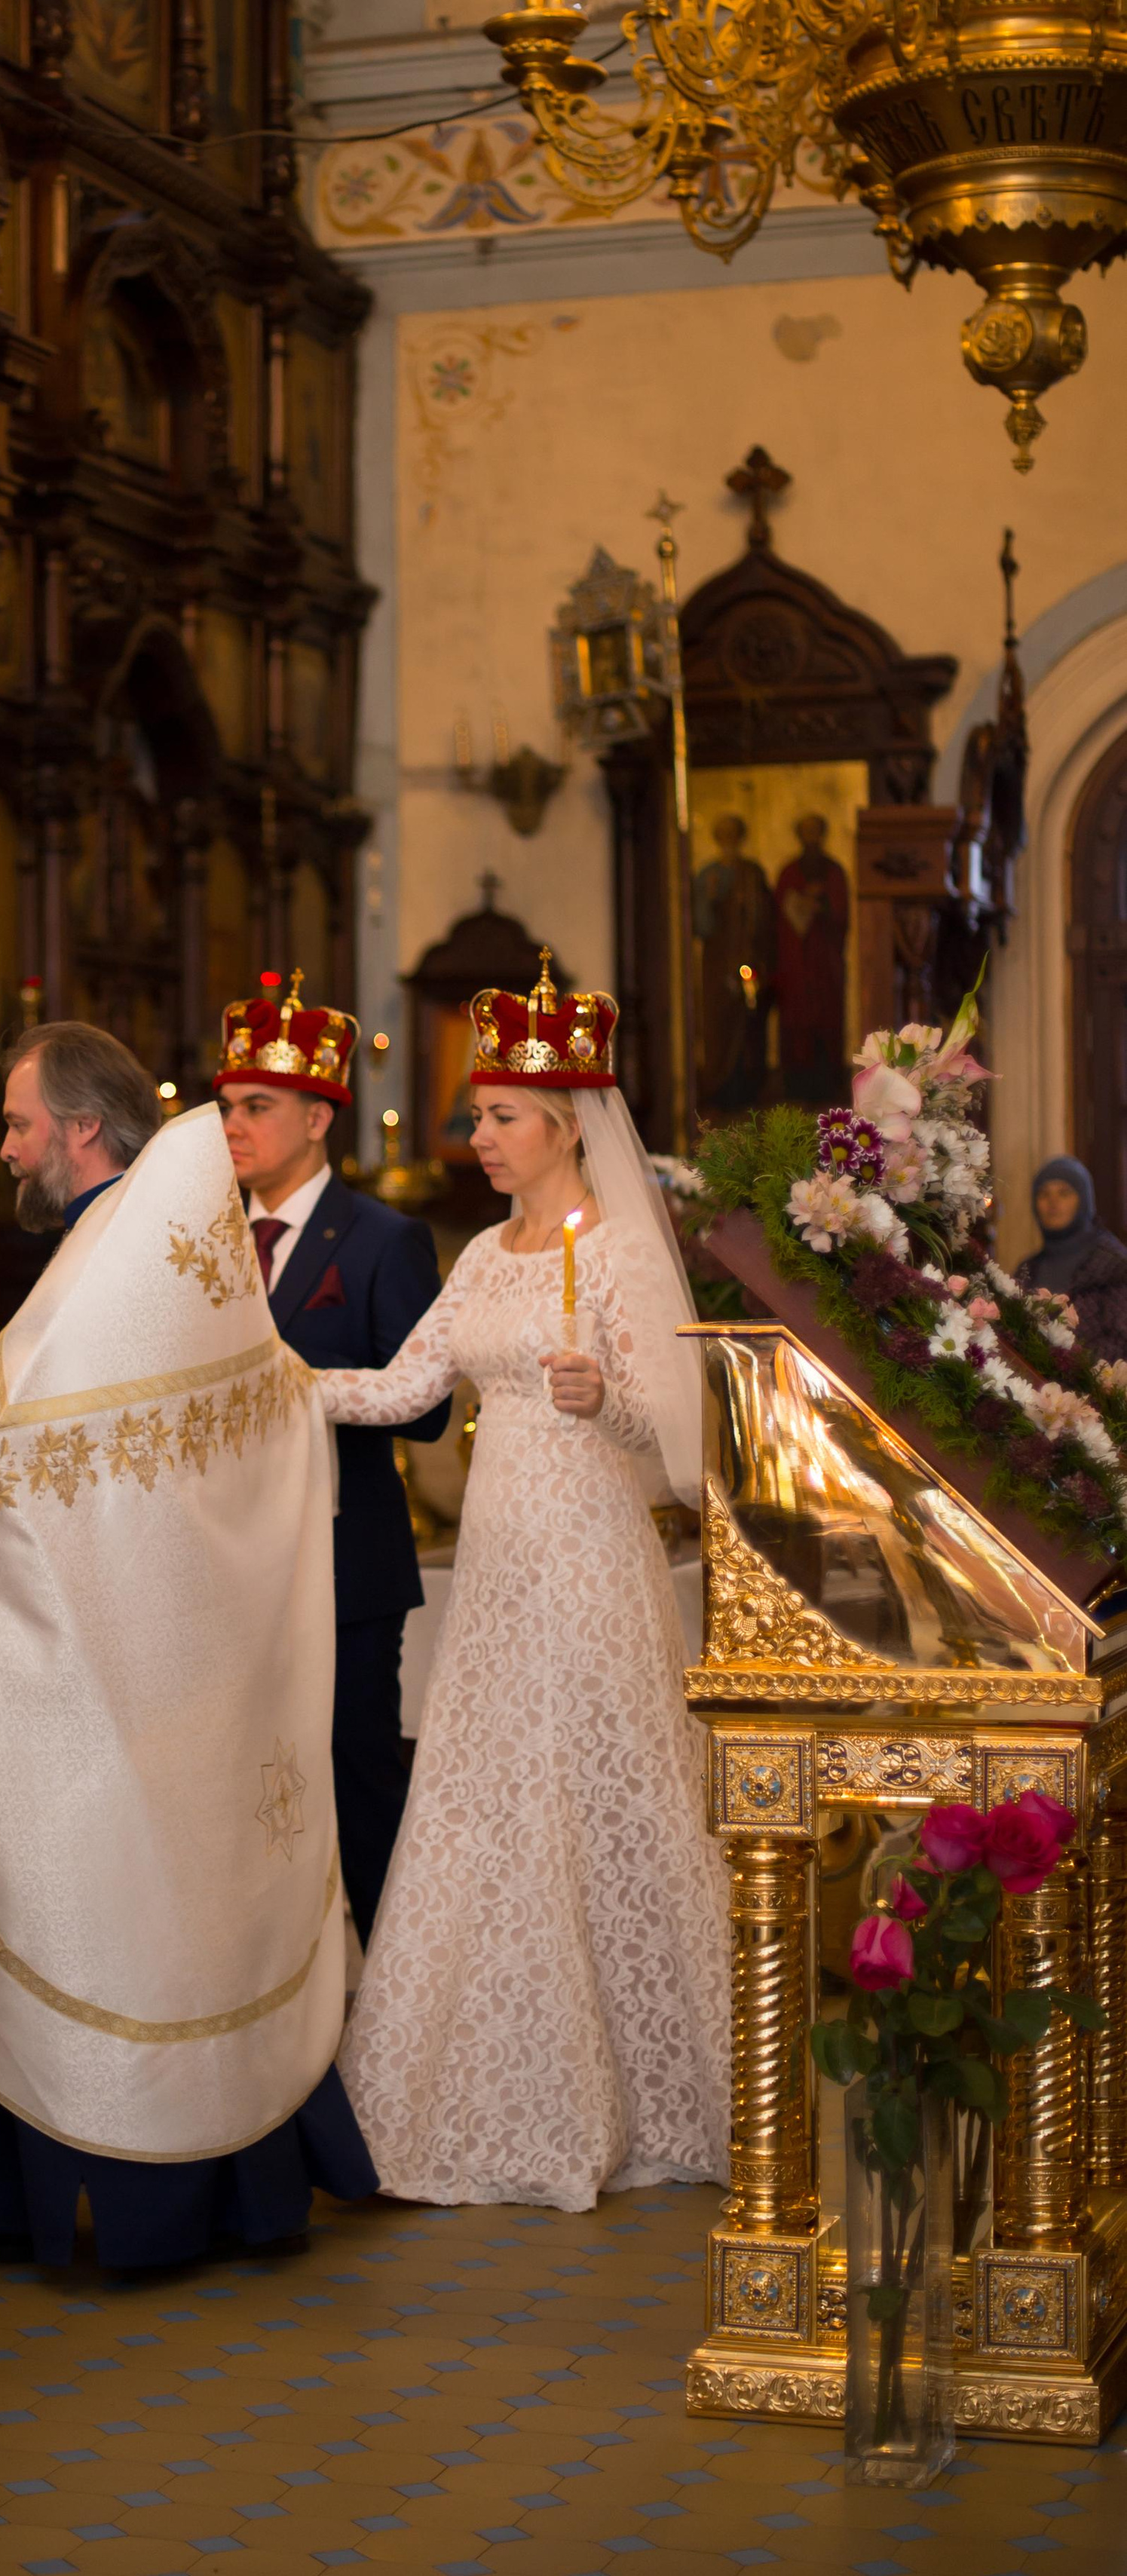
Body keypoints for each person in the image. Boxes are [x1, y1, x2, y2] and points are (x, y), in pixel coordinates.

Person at [0, 1019, 377, 2271]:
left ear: (80, 1127)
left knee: (49, 1882)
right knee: (43, 1886)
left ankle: (98, 2196)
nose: (7, 1147)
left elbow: (19, 1443)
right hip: (166, 1656)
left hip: (122, 1679)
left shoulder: (125, 1253)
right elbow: (76, 1407)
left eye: (21, 1122)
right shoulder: (152, 1244)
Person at [311, 952, 730, 2210]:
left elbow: (690, 1445)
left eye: (499, 1117)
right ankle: (486, 2088)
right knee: (487, 1811)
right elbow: (399, 1388)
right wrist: (264, 1382)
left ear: (564, 1126)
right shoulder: (486, 1256)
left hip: (593, 1563)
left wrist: (616, 1403)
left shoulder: (615, 1258)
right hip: (496, 1576)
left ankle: (647, 2092)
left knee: (598, 1809)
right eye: (479, 1116)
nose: (477, 1135)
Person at [215, 971, 449, 1947]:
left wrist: (311, 1390)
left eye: (256, 1108)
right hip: (230, 1568)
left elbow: (427, 1416)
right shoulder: (206, 1241)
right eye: (226, 1107)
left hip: (349, 1571)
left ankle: (392, 1990)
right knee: (246, 1797)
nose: (232, 1126)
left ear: (318, 1117)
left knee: (357, 1783)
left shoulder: (384, 1240)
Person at [693, 813, 775, 1113]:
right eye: (723, 835)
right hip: (716, 963)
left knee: (749, 1021)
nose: (729, 841)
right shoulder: (708, 874)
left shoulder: (752, 873)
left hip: (747, 960)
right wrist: (711, 899)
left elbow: (764, 919)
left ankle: (749, 1087)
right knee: (719, 1023)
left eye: (733, 835)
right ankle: (719, 1087)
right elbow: (701, 926)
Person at [773, 813, 850, 1107]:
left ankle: (827, 1086)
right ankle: (796, 1085)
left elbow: (842, 916)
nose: (811, 837)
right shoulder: (789, 872)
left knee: (826, 1021)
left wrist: (823, 904)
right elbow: (778, 916)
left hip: (825, 963)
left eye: (816, 831)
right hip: (795, 965)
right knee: (796, 1022)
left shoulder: (833, 872)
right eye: (806, 831)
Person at [1016, 1156, 1127, 1361]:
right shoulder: (1027, 1269)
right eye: (1044, 1194)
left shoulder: (1114, 1265)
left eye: (1064, 1193)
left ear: (1084, 1200)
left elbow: (1121, 1343)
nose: (1053, 1202)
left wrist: (1065, 1366)